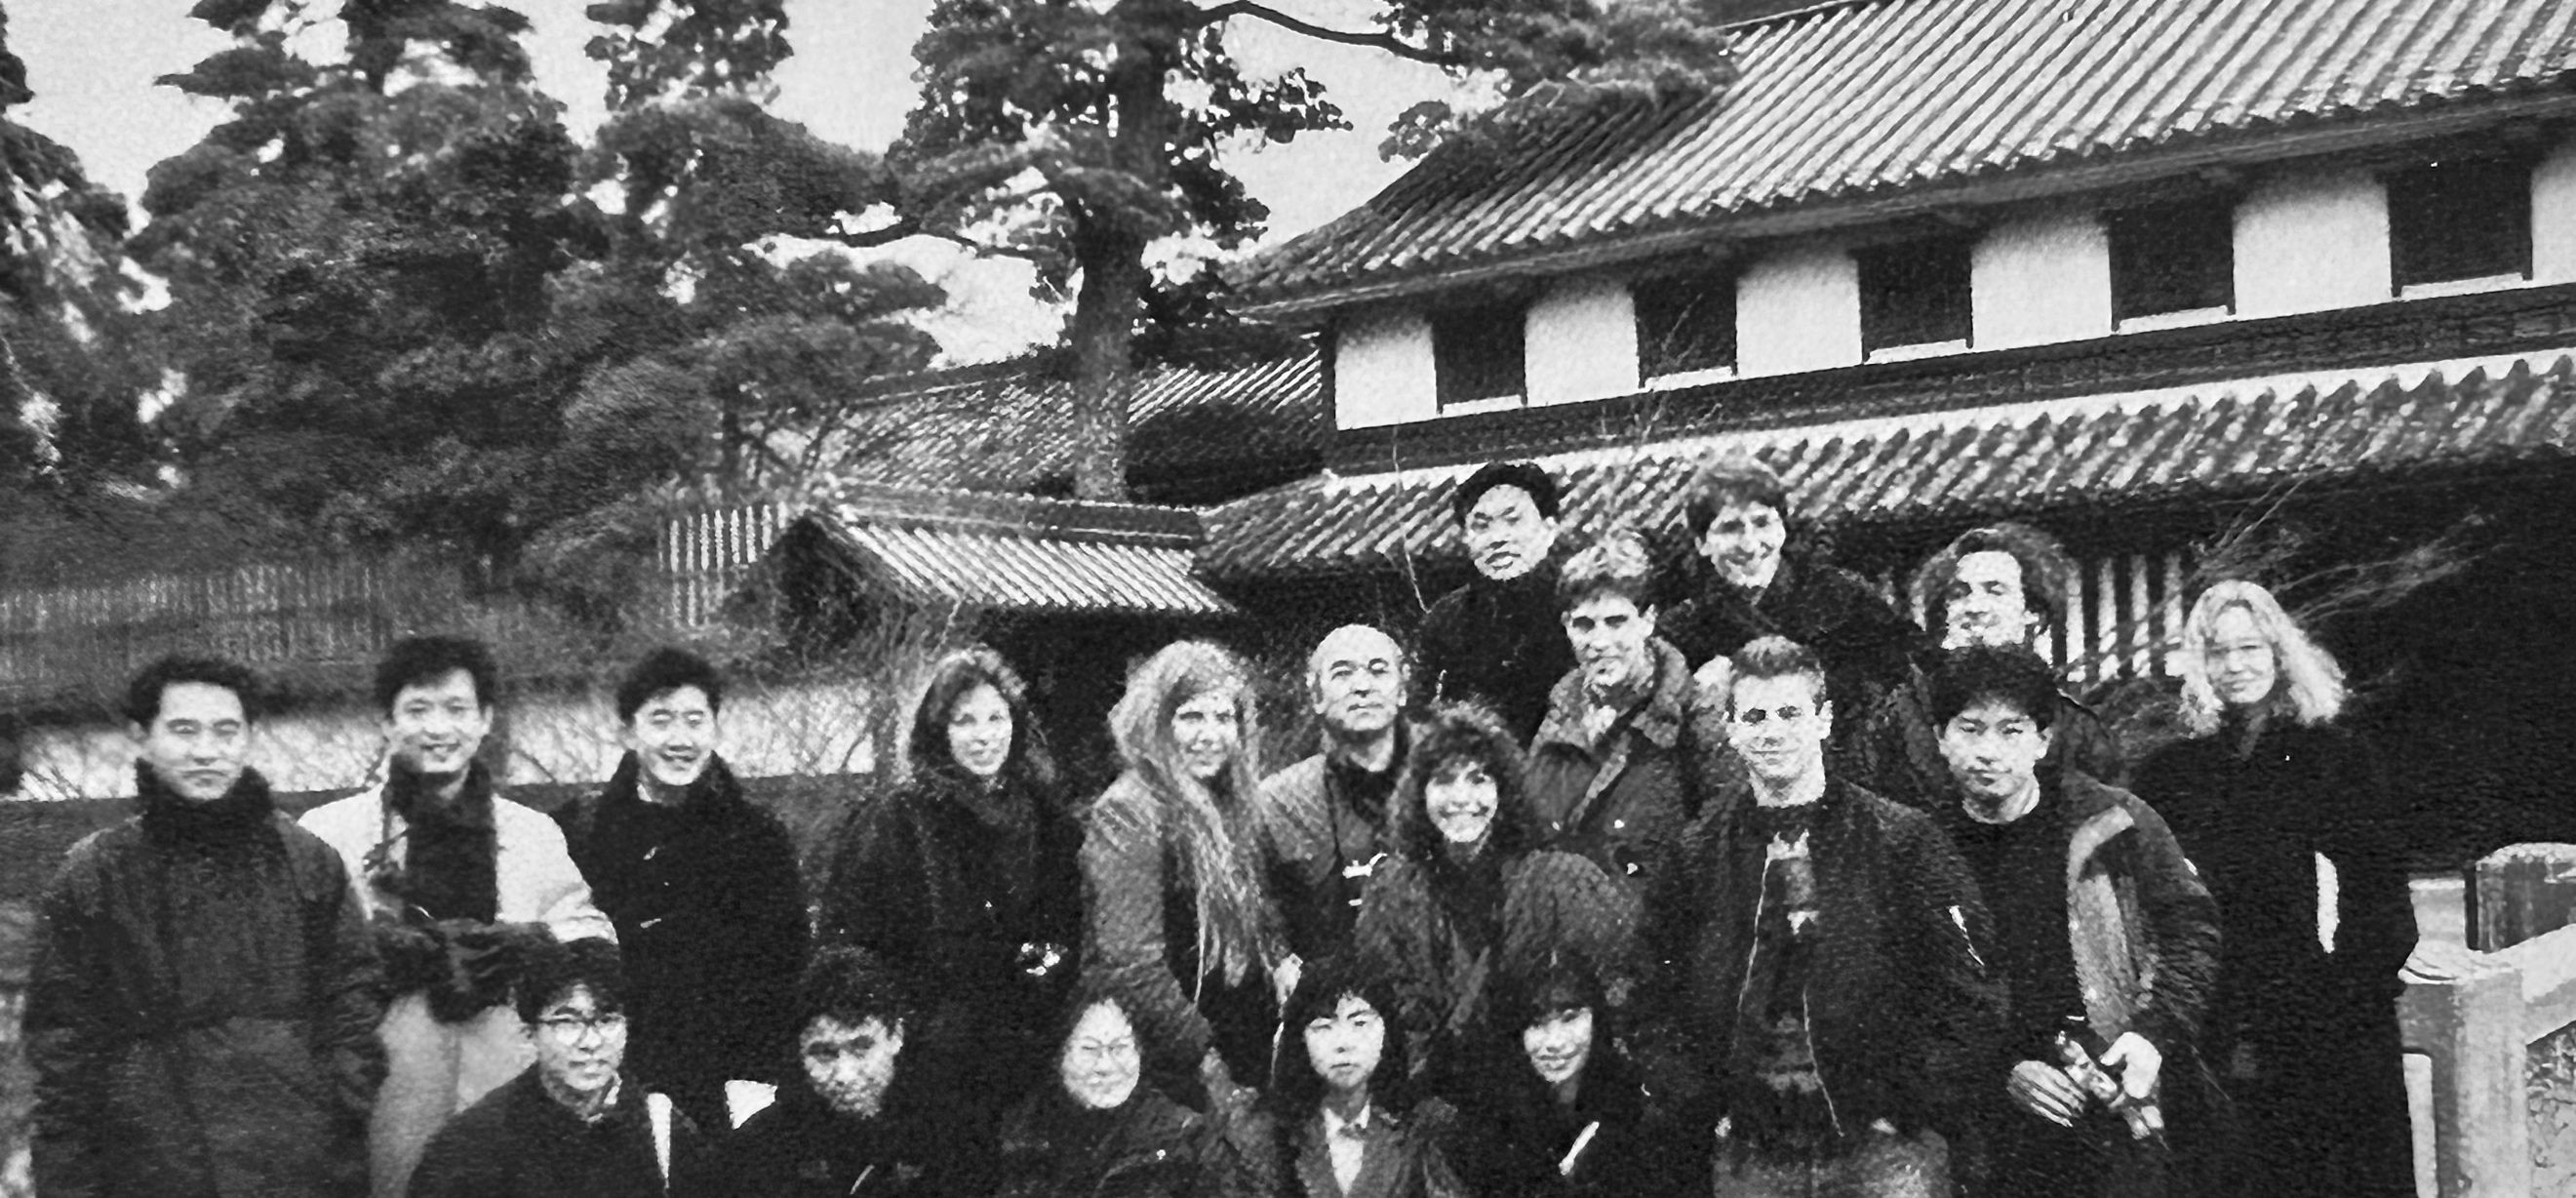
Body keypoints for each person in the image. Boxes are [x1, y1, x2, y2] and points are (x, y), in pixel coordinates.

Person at [1644, 636, 2001, 1198]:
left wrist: (1910, 1100)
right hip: (1753, 1152)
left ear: (1824, 719)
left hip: (1887, 1151)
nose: (1773, 731)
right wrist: (1701, 1101)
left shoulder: (1903, 841)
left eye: (1790, 713)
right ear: (1731, 729)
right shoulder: (1697, 853)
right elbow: (1646, 989)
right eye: (1755, 716)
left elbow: (1974, 981)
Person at [25, 655, 386, 1198]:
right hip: (151, 1163)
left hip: (294, 1156)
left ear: (249, 738)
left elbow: (353, 995)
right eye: (184, 730)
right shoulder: (95, 874)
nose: (206, 751)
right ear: (142, 737)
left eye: (225, 731)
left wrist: (336, 1101)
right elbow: (64, 1043)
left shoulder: (307, 862)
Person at [299, 634, 616, 1198]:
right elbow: (298, 959)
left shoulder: (532, 833)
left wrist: (531, 942)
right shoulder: (328, 835)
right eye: (418, 710)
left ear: (485, 720)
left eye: (456, 709)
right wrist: (371, 949)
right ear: (387, 722)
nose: (438, 728)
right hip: (384, 1087)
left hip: (507, 1080)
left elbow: (592, 934)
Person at [2132, 579, 2414, 1198]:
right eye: (2218, 651)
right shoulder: (2172, 772)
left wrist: (2339, 998)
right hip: (2213, 1008)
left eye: (2250, 648)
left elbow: (2382, 903)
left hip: (2323, 1010)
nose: (2235, 666)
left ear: (2280, 653)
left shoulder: (2335, 756)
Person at [1925, 646, 2221, 1197]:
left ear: (2043, 739)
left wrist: (2153, 1034)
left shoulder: (2115, 821)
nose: (1989, 750)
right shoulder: (1920, 847)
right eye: (1970, 728)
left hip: (2123, 1087)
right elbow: (1916, 992)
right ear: (1941, 737)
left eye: (2012, 730)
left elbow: (2191, 929)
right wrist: (1998, 1071)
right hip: (1993, 1123)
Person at [819, 645, 1084, 1133]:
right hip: (929, 1065)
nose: (983, 736)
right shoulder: (898, 821)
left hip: (1029, 1051)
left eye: (996, 718)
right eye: (965, 721)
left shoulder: (1048, 821)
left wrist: (1039, 983)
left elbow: (1064, 930)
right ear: (938, 730)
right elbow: (851, 945)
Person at [555, 648, 808, 1135]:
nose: (680, 739)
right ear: (627, 732)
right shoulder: (579, 834)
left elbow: (785, 970)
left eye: (695, 720)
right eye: (661, 720)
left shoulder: (757, 838)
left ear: (715, 728)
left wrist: (761, 1085)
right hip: (612, 1085)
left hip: (727, 1088)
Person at [1350, 702, 1639, 1099]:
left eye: (1479, 779)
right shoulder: (1392, 891)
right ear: (1420, 793)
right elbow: (1386, 1011)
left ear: (1504, 790)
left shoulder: (1561, 882)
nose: (1461, 798)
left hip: (1546, 1094)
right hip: (1439, 1098)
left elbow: (1618, 992)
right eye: (1444, 781)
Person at [1083, 639, 1288, 1106]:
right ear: (1156, 722)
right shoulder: (1129, 812)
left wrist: (1278, 958)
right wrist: (1204, 1058)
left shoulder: (1232, 801)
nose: (1209, 735)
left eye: (1223, 718)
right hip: (1178, 1056)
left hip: (1241, 1034)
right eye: (1191, 717)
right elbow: (1132, 964)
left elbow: (1259, 906)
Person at [408, 937, 715, 1198]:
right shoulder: (469, 1150)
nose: (590, 1041)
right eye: (567, 1022)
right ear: (530, 1033)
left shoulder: (664, 1130)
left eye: (607, 1020)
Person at [1852, 522, 2124, 809]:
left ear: (2032, 611)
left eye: (1995, 591)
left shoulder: (2074, 728)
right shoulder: (1897, 717)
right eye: (1959, 594)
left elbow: (2110, 819)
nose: (1974, 607)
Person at [1657, 451, 1919, 743]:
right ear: (1702, 542)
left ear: (1782, 527)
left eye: (1762, 523)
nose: (1750, 544)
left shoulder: (1843, 596)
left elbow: (1902, 679)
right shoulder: (1681, 630)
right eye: (1730, 528)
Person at [714, 945, 964, 1197]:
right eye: (824, 1053)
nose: (845, 1074)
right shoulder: (761, 1151)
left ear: (896, 1036)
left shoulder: (952, 1135)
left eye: (861, 1048)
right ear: (800, 1053)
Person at [1524, 530, 1697, 889]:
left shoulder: (1694, 715)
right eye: (1584, 625)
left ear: (1648, 620)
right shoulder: (1562, 712)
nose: (1600, 642)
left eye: (1616, 622)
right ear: (1566, 626)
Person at [1449, 958, 1691, 1197]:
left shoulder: (1635, 1106)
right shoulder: (1489, 1119)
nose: (1555, 1042)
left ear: (1596, 1019)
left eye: (1569, 1018)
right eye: (1536, 1023)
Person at [1236, 956, 1468, 1198]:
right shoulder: (1269, 1135)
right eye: (1323, 1027)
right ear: (1301, 1040)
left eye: (1360, 1023)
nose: (1343, 1043)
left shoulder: (1423, 1131)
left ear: (1386, 1031)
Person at [990, 980, 1244, 1198]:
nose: (1106, 1066)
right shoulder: (1021, 1135)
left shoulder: (1186, 1136)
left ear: (1140, 1052)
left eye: (1120, 1048)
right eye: (1089, 1049)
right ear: (1059, 1056)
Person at [1258, 624, 1416, 969]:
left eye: (1378, 671)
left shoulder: (1446, 784)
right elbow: (1262, 910)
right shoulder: (1279, 802)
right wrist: (1279, 960)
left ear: (1403, 688)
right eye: (1343, 673)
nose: (1362, 686)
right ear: (1316, 695)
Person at [1416, 460, 1578, 743]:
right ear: (1465, 538)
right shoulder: (1446, 619)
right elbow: (1423, 708)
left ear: (1549, 529)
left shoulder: (1580, 605)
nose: (1498, 538)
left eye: (1513, 521)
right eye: (1481, 526)